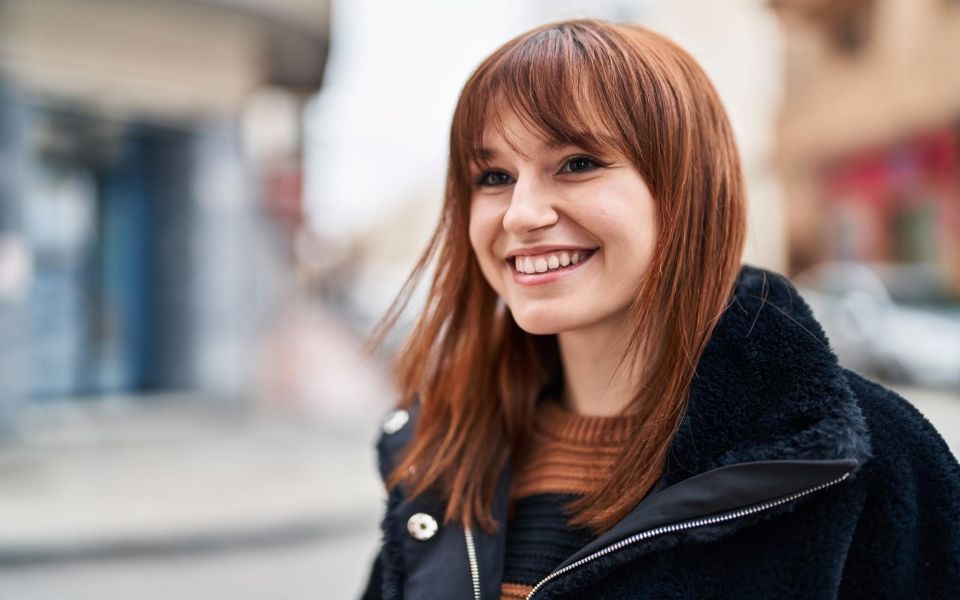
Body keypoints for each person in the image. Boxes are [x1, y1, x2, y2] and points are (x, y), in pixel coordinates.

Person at [360, 18, 960, 600]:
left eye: (577, 163)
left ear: (687, 188)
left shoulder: (868, 460)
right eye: (493, 176)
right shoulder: (440, 460)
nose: (520, 214)